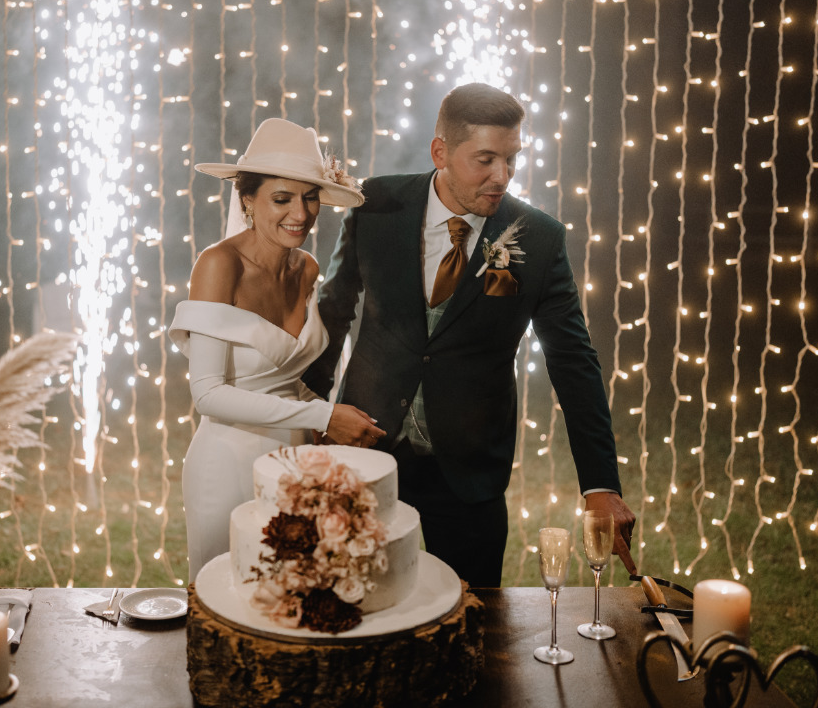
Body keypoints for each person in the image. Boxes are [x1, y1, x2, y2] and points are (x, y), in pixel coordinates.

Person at [303, 83, 637, 588]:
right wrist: (315, 410)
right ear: (440, 152)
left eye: (511, 159)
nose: (502, 176)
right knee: (352, 602)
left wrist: (600, 485)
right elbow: (334, 311)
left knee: (473, 617)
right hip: (365, 448)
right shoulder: (376, 205)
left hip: (469, 471)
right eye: (485, 160)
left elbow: (573, 360)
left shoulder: (540, 238)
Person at [169, 118, 385, 582]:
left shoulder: (306, 268)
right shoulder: (219, 264)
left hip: (295, 457)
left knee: (293, 590)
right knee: (228, 592)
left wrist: (330, 416)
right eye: (282, 199)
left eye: (311, 197)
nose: (300, 214)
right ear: (247, 199)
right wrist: (323, 416)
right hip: (227, 462)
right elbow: (207, 394)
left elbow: (282, 378)